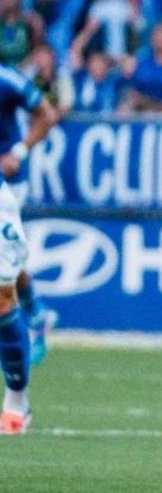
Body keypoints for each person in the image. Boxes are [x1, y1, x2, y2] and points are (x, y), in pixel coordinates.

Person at [0, 62, 61, 433]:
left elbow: (46, 113)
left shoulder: (6, 80)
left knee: (3, 295)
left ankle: (16, 400)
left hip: (3, 189)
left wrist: (19, 152)